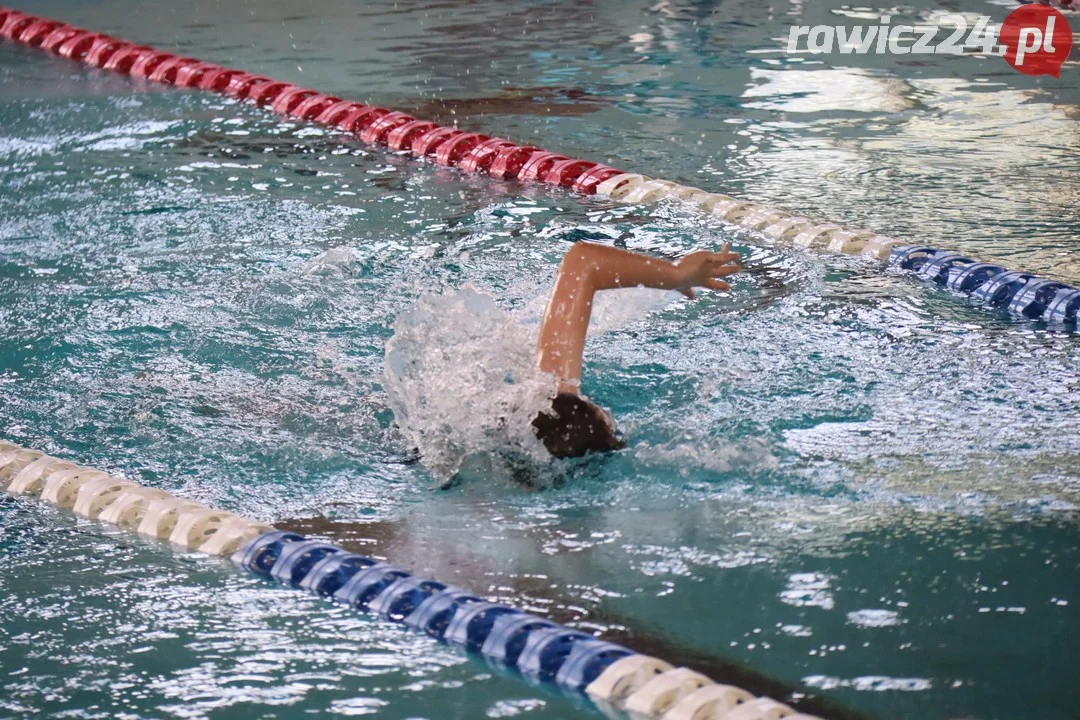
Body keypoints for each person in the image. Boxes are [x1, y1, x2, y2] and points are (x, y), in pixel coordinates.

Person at [531, 241, 742, 458]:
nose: (610, 413)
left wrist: (678, 274)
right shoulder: (538, 404)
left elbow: (583, 261)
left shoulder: (547, 394)